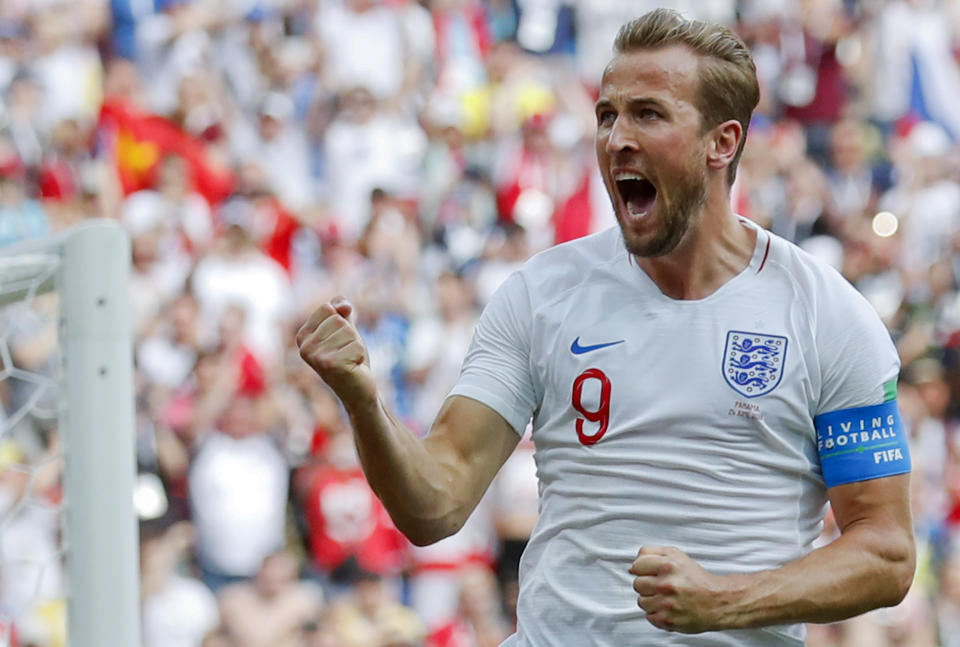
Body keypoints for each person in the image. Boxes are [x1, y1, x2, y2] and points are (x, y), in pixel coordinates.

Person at [296, 9, 915, 646]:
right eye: (606, 115)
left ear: (722, 142)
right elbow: (435, 504)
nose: (616, 137)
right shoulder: (541, 295)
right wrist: (364, 401)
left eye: (647, 114)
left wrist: (725, 601)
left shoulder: (828, 316)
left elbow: (886, 554)